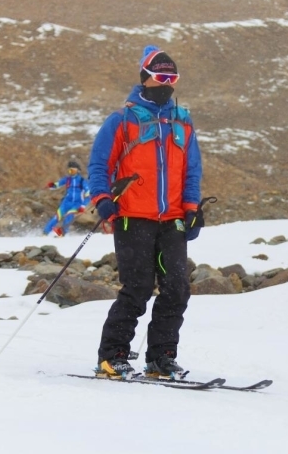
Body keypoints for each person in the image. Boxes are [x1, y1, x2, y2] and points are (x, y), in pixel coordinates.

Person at [88, 45, 203, 379]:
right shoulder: (122, 121)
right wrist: (102, 199)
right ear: (145, 78)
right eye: (160, 76)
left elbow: (191, 169)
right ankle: (112, 357)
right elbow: (99, 164)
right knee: (137, 288)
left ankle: (161, 358)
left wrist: (192, 209)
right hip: (132, 217)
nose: (166, 83)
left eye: (172, 77)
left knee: (176, 289)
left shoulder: (182, 122)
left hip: (172, 221)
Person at [42, 160, 91, 237]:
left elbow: (88, 194)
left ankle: (62, 233)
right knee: (57, 216)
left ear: (78, 171)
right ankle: (45, 232)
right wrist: (52, 185)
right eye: (70, 170)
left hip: (77, 203)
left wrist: (83, 206)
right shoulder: (67, 179)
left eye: (73, 170)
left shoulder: (82, 181)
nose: (71, 172)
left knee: (69, 216)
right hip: (66, 202)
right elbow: (57, 184)